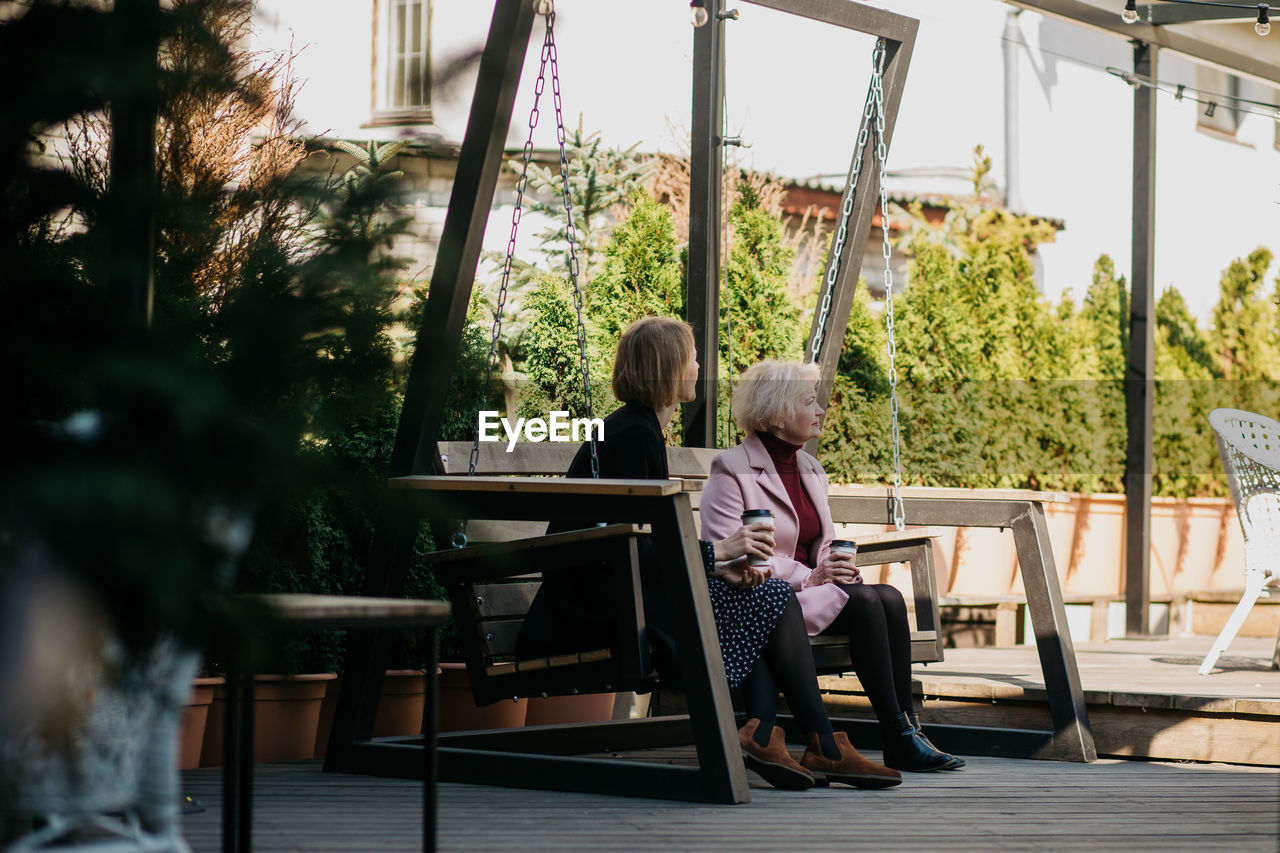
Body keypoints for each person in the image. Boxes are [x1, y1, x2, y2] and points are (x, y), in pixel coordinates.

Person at [517, 317, 900, 790]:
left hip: (622, 593)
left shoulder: (638, 431)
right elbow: (626, 546)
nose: (700, 366)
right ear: (669, 369)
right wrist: (718, 555)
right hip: (601, 607)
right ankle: (808, 739)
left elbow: (639, 543)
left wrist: (720, 564)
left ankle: (771, 732)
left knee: (763, 594)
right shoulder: (633, 437)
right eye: (693, 358)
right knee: (766, 598)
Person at [699, 359, 964, 772]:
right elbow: (736, 554)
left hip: (812, 593)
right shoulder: (730, 469)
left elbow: (821, 542)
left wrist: (836, 566)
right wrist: (813, 577)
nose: (821, 410)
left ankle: (905, 729)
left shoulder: (810, 468)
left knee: (890, 597)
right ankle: (892, 734)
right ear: (778, 414)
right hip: (765, 600)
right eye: (809, 402)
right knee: (866, 602)